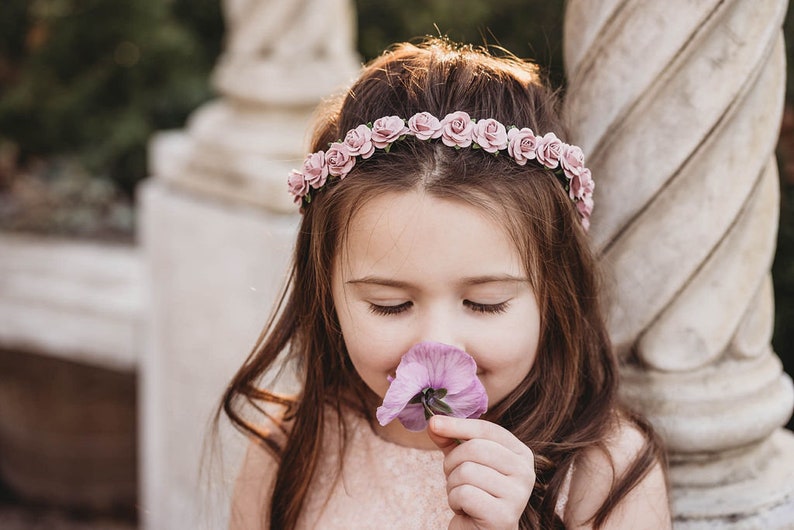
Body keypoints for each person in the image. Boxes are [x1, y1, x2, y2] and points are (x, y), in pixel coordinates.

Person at [222, 38, 671, 529]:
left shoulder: (603, 474)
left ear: (554, 294)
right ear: (326, 296)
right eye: (389, 304)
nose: (435, 345)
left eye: (485, 303)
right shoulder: (290, 455)